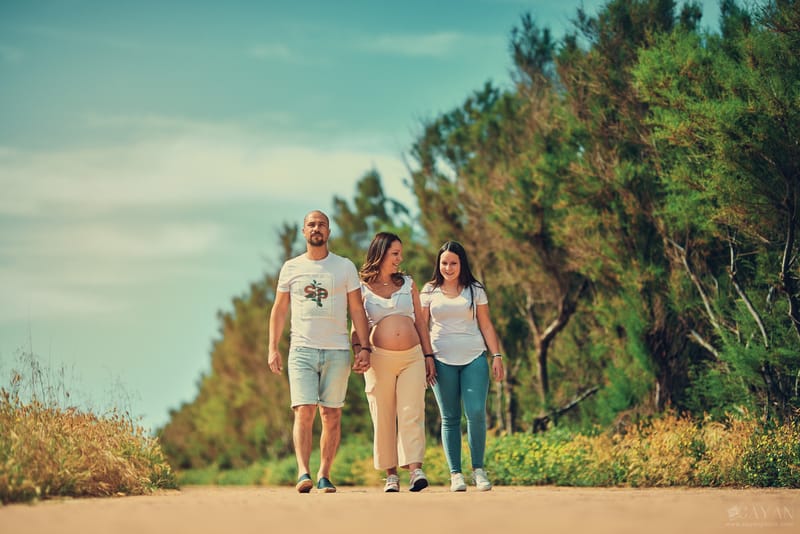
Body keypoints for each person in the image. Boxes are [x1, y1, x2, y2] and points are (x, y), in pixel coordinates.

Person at [268, 210, 372, 494]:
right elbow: (279, 310)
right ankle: (303, 472)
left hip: (338, 350)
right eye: (311, 224)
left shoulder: (344, 267)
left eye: (321, 225)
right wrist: (272, 348)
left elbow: (356, 309)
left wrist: (365, 347)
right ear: (303, 231)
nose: (317, 228)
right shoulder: (291, 267)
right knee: (304, 411)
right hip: (301, 349)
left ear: (328, 232)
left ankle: (324, 473)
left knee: (331, 414)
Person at [350, 232, 437, 493]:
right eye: (395, 253)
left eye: (400, 253)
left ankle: (415, 470)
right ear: (381, 253)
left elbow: (421, 322)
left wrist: (428, 354)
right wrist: (359, 352)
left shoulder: (408, 283)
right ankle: (390, 475)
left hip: (412, 357)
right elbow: (357, 327)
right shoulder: (362, 288)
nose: (400, 258)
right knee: (383, 414)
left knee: (412, 411)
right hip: (378, 359)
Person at [419, 240, 505, 492]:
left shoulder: (475, 289)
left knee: (476, 412)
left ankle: (478, 469)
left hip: (474, 357)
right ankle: (455, 473)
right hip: (440, 360)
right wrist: (426, 358)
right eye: (444, 262)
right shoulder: (429, 291)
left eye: (453, 263)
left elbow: (486, 324)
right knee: (450, 418)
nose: (448, 267)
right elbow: (422, 327)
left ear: (461, 264)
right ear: (439, 264)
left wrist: (496, 355)